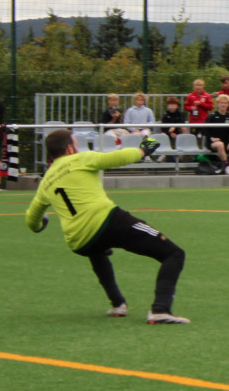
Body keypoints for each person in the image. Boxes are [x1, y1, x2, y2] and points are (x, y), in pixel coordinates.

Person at [24, 129, 189, 323]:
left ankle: (118, 304)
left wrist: (39, 225)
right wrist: (144, 150)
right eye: (76, 144)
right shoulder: (80, 159)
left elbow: (31, 218)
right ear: (69, 148)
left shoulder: (45, 182)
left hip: (78, 240)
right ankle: (160, 310)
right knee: (174, 254)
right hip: (107, 221)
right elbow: (118, 157)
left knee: (97, 252)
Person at [202, 94, 229, 174]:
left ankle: (227, 163)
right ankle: (227, 166)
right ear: (218, 104)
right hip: (212, 142)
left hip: (226, 142)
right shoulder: (212, 116)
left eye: (225, 103)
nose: (223, 105)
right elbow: (204, 130)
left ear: (228, 104)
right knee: (220, 144)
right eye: (221, 103)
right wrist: (212, 138)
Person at [184, 79, 214, 143]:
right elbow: (186, 107)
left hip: (204, 121)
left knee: (204, 137)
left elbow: (211, 107)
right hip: (193, 121)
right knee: (193, 137)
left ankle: (203, 150)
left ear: (203, 86)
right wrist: (191, 108)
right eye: (196, 85)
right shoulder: (190, 96)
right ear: (193, 87)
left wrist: (201, 103)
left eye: (200, 85)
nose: (198, 87)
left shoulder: (207, 96)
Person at [158, 96, 186, 162]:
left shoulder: (180, 114)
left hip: (178, 133)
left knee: (184, 128)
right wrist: (170, 133)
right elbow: (163, 127)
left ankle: (181, 153)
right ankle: (163, 154)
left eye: (174, 104)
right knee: (163, 135)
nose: (172, 106)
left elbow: (182, 122)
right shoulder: (165, 115)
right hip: (168, 133)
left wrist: (175, 127)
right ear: (168, 106)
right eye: (170, 104)